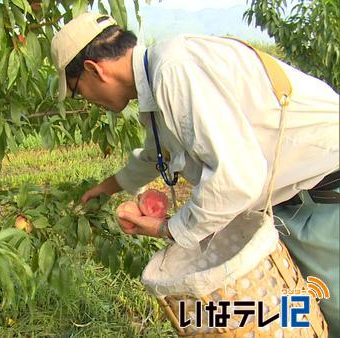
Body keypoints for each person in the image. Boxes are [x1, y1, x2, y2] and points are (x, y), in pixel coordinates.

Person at [51, 12, 339, 334]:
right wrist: (106, 187)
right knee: (298, 315)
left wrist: (169, 229)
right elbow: (156, 154)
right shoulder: (157, 80)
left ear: (94, 70)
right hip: (294, 198)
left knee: (328, 312)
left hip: (325, 194)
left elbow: (237, 180)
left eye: (78, 90)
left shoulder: (174, 71)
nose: (87, 100)